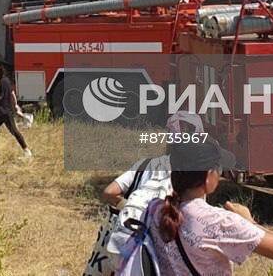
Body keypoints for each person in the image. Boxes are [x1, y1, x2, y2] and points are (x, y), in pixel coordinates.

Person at [146, 141, 273, 275]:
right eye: (218, 168)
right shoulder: (219, 221)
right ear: (208, 176)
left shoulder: (155, 210)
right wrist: (249, 221)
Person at [85, 112, 204, 276]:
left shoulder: (145, 164)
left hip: (127, 239)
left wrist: (134, 209)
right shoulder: (195, 176)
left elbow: (110, 192)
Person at [0, 64, 31, 158]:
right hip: (5, 111)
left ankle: (27, 151)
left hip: (4, 112)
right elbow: (12, 93)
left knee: (14, 131)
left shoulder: (1, 82)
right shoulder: (6, 80)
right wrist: (15, 104)